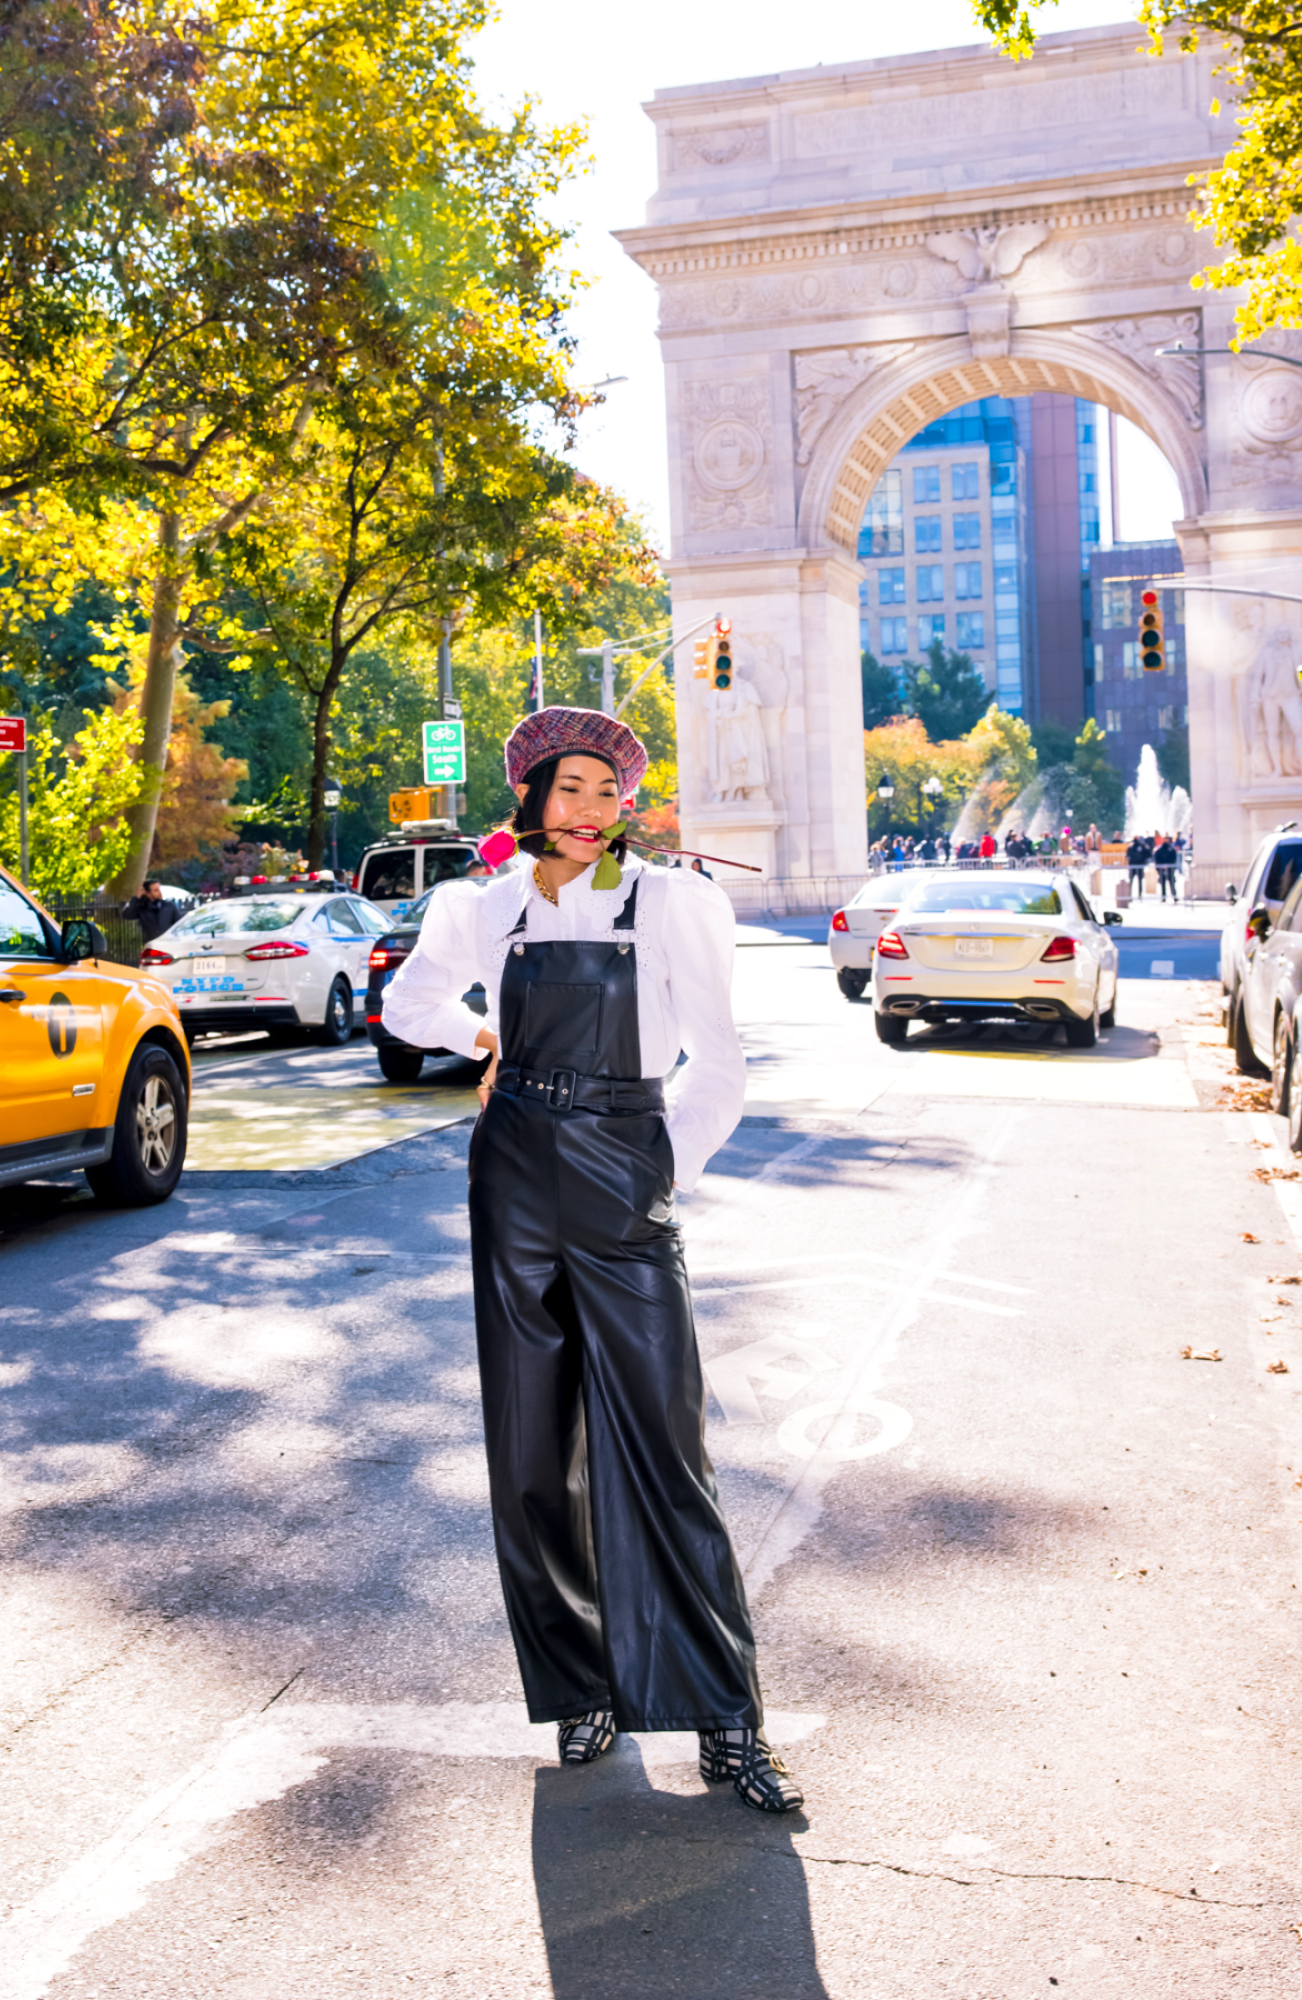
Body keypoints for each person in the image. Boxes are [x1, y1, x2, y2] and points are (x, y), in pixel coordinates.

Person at [382, 706, 803, 1815]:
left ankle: (724, 1719)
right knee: (530, 1446)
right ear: (529, 797)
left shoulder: (670, 901)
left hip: (625, 1165)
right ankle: (579, 1690)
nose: (589, 810)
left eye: (606, 791)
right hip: (513, 1169)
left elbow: (717, 1060)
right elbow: (407, 1002)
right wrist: (490, 1041)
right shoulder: (482, 905)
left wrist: (661, 1167)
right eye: (569, 789)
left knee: (665, 1441)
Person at [121, 878, 174, 944]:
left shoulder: (169, 906)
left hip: (169, 943)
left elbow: (179, 923)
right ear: (147, 893)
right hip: (152, 945)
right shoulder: (142, 908)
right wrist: (136, 898)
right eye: (156, 890)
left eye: (160, 889)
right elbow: (127, 915)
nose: (160, 893)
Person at [1125, 832, 1153, 900]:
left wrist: (1143, 861)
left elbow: (1148, 854)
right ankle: (1129, 895)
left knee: (1140, 881)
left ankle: (1140, 895)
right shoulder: (1131, 847)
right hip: (1132, 866)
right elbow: (1127, 856)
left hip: (1140, 866)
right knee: (1131, 881)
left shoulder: (1142, 846)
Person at [1154, 831, 1180, 902]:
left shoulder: (1171, 850)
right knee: (1163, 884)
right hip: (1162, 869)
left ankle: (1174, 896)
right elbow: (1157, 859)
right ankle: (1163, 897)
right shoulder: (1159, 850)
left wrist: (1168, 865)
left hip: (1170, 869)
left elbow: (1173, 859)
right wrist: (1161, 866)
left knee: (1172, 883)